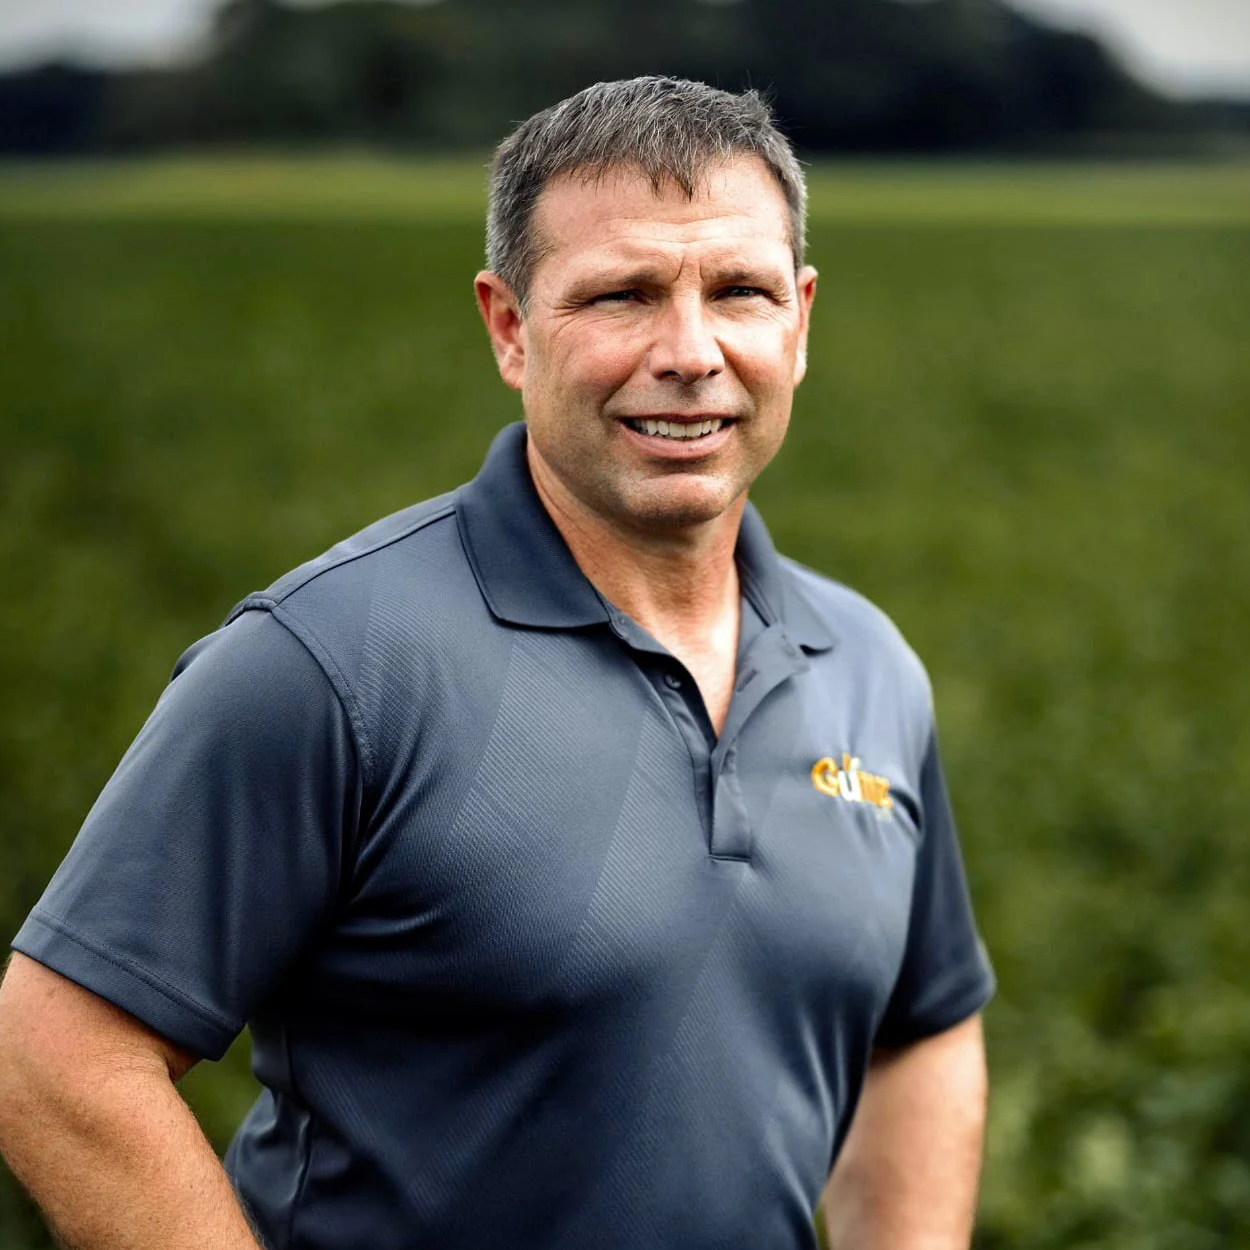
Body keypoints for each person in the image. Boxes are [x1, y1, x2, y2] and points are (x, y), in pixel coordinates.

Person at [0, 77, 993, 1250]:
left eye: (739, 292)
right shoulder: (329, 663)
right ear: (510, 327)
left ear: (799, 320)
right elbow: (57, 1053)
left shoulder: (865, 663)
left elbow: (919, 1024)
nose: (689, 351)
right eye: (621, 294)